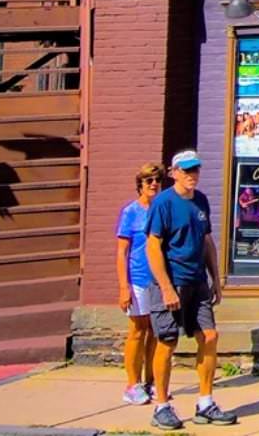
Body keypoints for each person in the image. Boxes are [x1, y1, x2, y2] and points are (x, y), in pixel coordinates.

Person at [144, 149, 235, 428]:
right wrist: (166, 287)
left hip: (197, 282)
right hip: (171, 283)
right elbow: (153, 247)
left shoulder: (201, 201)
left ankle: (205, 402)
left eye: (195, 169)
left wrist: (215, 279)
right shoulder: (163, 203)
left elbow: (206, 241)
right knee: (167, 342)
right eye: (186, 170)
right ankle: (161, 405)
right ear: (174, 173)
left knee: (209, 336)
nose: (192, 175)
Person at [115, 163, 165, 405]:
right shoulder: (131, 212)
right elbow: (122, 251)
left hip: (159, 279)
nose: (153, 184)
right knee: (138, 329)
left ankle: (151, 380)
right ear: (140, 186)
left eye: (157, 180)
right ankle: (131, 384)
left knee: (156, 331)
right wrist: (123, 286)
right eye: (149, 181)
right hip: (137, 278)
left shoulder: (163, 210)